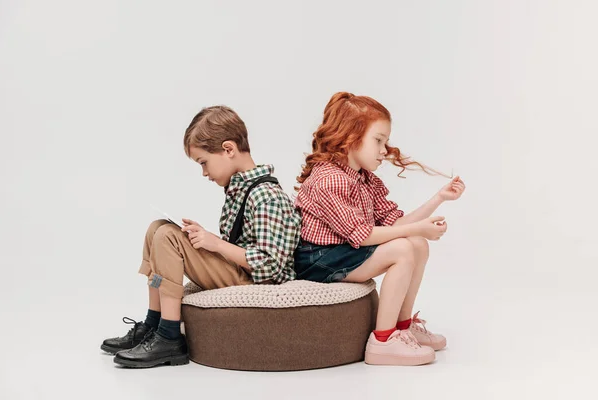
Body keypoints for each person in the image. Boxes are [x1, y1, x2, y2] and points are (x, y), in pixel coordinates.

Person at [101, 105, 301, 368]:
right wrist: (204, 238)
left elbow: (270, 265)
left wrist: (215, 244)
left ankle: (169, 336)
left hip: (258, 281)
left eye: (204, 163)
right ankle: (153, 323)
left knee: (167, 238)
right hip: (239, 270)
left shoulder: (266, 195)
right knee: (158, 228)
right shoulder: (239, 188)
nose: (204, 173)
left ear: (228, 149)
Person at [293, 92, 465, 366]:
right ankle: (383, 341)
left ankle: (402, 326)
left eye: (385, 141)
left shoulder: (363, 178)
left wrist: (438, 198)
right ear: (350, 137)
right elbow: (363, 236)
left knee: (417, 243)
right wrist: (418, 228)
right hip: (317, 259)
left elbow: (395, 224)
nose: (385, 150)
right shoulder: (328, 180)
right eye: (378, 140)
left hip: (343, 251)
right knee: (402, 248)